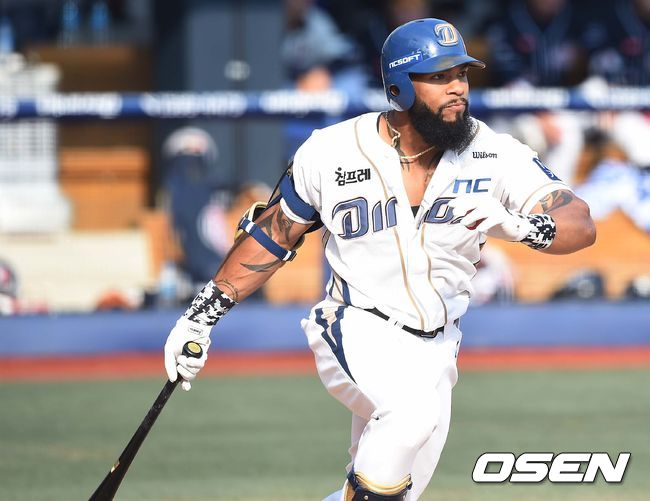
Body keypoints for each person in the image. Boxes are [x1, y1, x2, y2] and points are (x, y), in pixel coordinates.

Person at [164, 18, 596, 500]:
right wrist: (200, 317)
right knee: (410, 417)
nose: (457, 88)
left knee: (392, 489)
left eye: (461, 74)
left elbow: (580, 221)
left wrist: (525, 227)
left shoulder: (493, 152)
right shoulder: (331, 151)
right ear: (398, 87)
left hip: (438, 345)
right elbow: (273, 235)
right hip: (356, 323)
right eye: (438, 77)